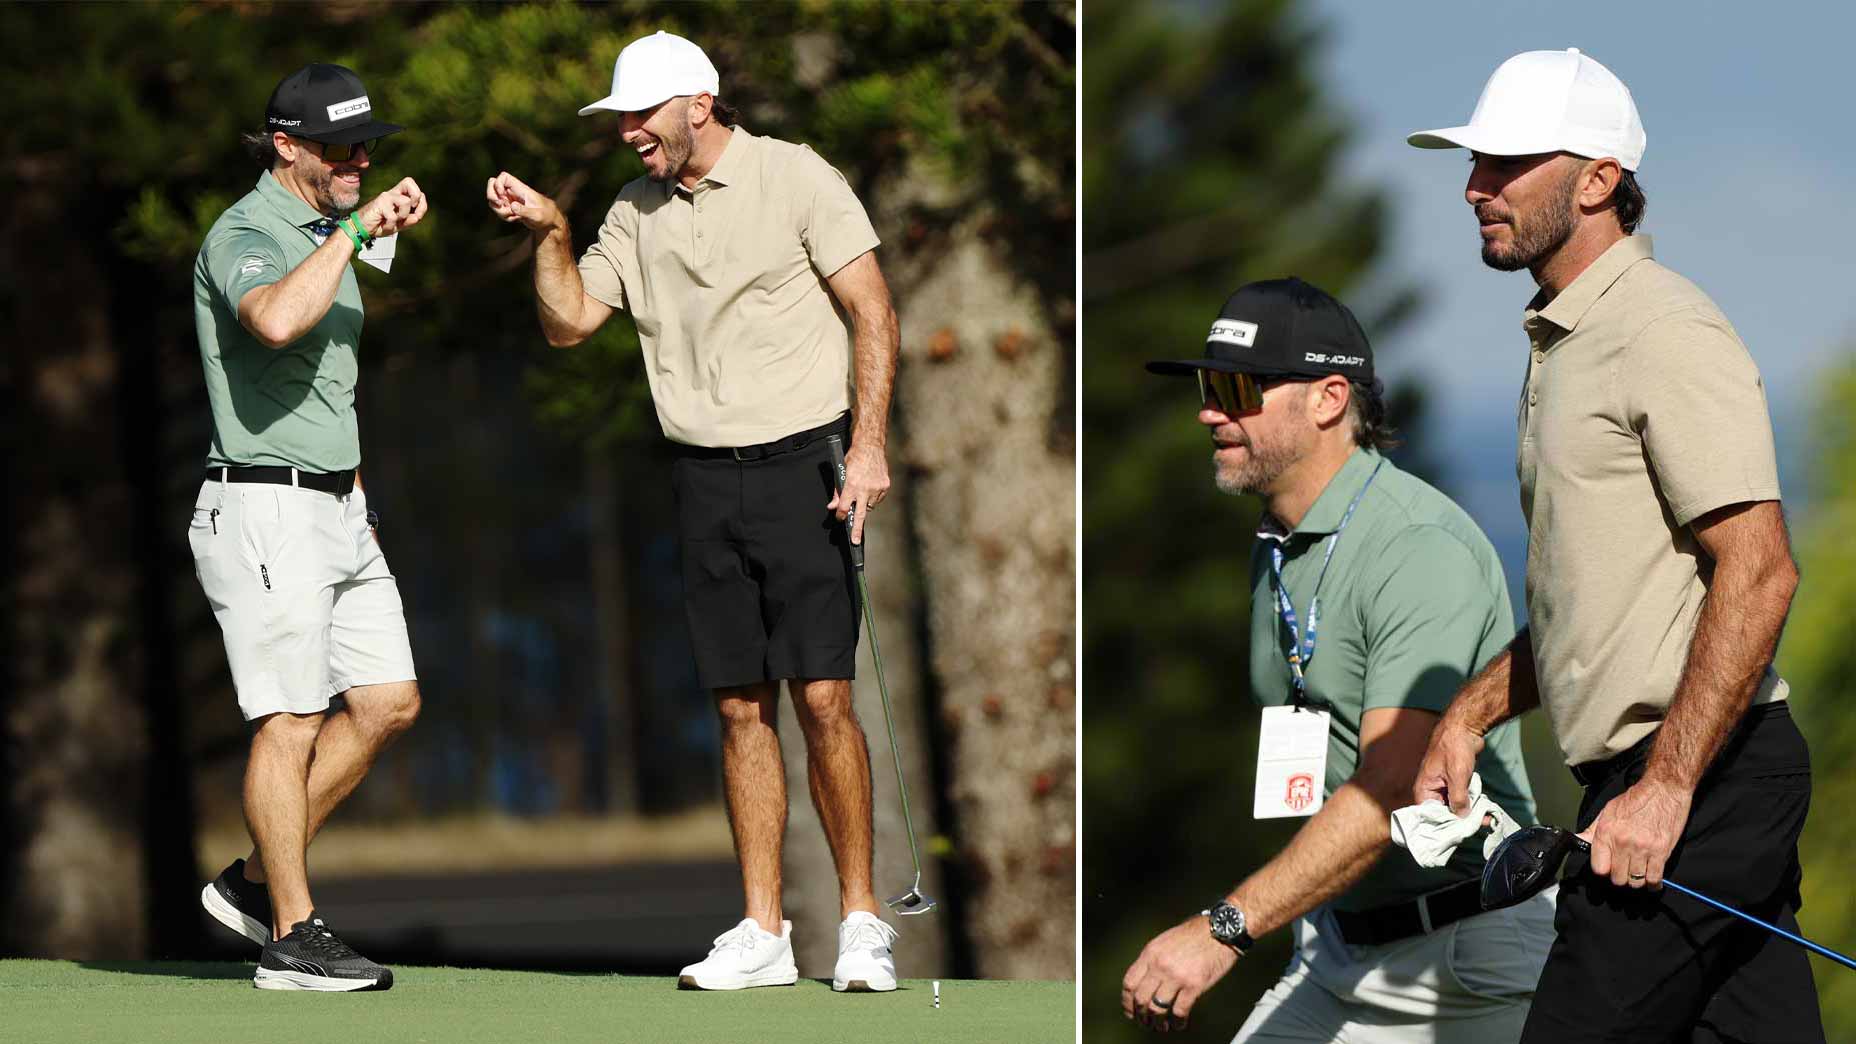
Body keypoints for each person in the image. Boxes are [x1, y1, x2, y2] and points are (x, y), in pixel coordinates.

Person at [1406, 48, 1824, 1043]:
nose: (1474, 188)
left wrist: (1665, 790)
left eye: (1505, 163)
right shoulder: (1564, 342)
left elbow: (1760, 569)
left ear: (1597, 181)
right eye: (1472, 164)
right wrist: (1467, 715)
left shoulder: (1659, 329)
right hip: (1681, 788)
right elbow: (1593, 605)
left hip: (1695, 786)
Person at [484, 30, 903, 992]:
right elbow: (571, 324)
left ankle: (863, 922)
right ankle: (762, 929)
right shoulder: (633, 212)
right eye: (622, 118)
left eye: (642, 114)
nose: (629, 131)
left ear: (699, 105)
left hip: (809, 466)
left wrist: (870, 447)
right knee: (737, 706)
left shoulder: (796, 177)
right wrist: (551, 234)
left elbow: (872, 310)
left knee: (826, 698)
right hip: (702, 477)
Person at [1122, 278, 1553, 1040]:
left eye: (1237, 388)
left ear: (1327, 399)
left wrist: (1224, 927)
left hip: (1463, 965)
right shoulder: (1278, 545)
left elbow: (1394, 784)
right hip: (1336, 945)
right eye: (1206, 385)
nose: (1209, 411)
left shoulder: (1418, 548)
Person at [189, 63, 428, 991]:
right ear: (288, 147)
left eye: (367, 144)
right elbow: (278, 321)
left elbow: (332, 383)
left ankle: (251, 882)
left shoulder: (329, 226)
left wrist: (357, 491)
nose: (360, 160)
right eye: (341, 147)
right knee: (289, 719)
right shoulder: (245, 232)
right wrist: (358, 229)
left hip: (336, 504)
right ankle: (291, 934)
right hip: (261, 505)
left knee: (386, 702)